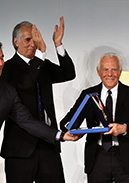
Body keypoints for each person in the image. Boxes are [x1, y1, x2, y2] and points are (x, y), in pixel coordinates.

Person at [1, 17, 76, 183]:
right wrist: (41, 55)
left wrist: (58, 44)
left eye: (35, 39)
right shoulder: (7, 68)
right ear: (16, 41)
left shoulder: (42, 65)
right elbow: (25, 84)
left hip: (49, 143)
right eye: (28, 39)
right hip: (20, 149)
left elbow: (68, 74)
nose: (33, 44)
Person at [60, 53, 129, 183]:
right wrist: (74, 131)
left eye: (114, 69)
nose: (110, 74)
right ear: (98, 71)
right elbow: (66, 123)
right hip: (97, 158)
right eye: (105, 69)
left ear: (120, 71)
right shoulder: (88, 95)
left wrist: (124, 128)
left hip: (127, 158)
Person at [0, 42, 77, 144]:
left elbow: (27, 121)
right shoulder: (11, 74)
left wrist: (61, 135)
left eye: (1, 58)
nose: (1, 63)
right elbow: (26, 83)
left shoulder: (8, 91)